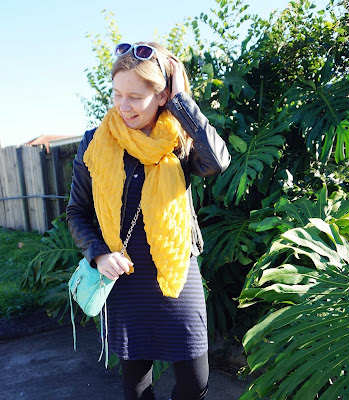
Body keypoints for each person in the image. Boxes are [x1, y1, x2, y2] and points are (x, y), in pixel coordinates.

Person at [66, 41, 231, 400]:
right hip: (123, 278)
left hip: (176, 272)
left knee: (195, 382)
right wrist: (97, 253)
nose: (124, 106)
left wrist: (182, 102)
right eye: (117, 94)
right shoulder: (95, 142)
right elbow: (76, 212)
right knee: (137, 385)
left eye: (136, 97)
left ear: (161, 96)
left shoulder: (180, 140)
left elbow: (218, 161)